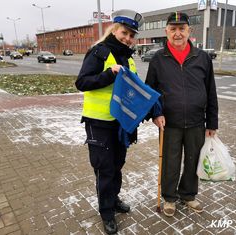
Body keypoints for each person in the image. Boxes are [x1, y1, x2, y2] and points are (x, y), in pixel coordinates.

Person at [75, 9, 143, 234]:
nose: (128, 38)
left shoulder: (128, 56)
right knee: (104, 169)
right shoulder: (99, 52)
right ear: (114, 29)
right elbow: (82, 82)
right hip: (99, 123)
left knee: (116, 166)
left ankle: (112, 199)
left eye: (132, 35)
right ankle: (106, 212)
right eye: (125, 32)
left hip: (121, 123)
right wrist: (109, 75)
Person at [145, 12, 218, 217]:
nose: (178, 33)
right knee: (170, 161)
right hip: (169, 123)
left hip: (196, 122)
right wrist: (155, 114)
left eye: (182, 28)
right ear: (166, 31)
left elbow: (211, 91)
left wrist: (212, 122)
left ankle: (188, 195)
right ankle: (169, 197)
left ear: (189, 31)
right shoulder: (158, 59)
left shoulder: (202, 58)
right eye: (173, 29)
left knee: (193, 160)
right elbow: (150, 91)